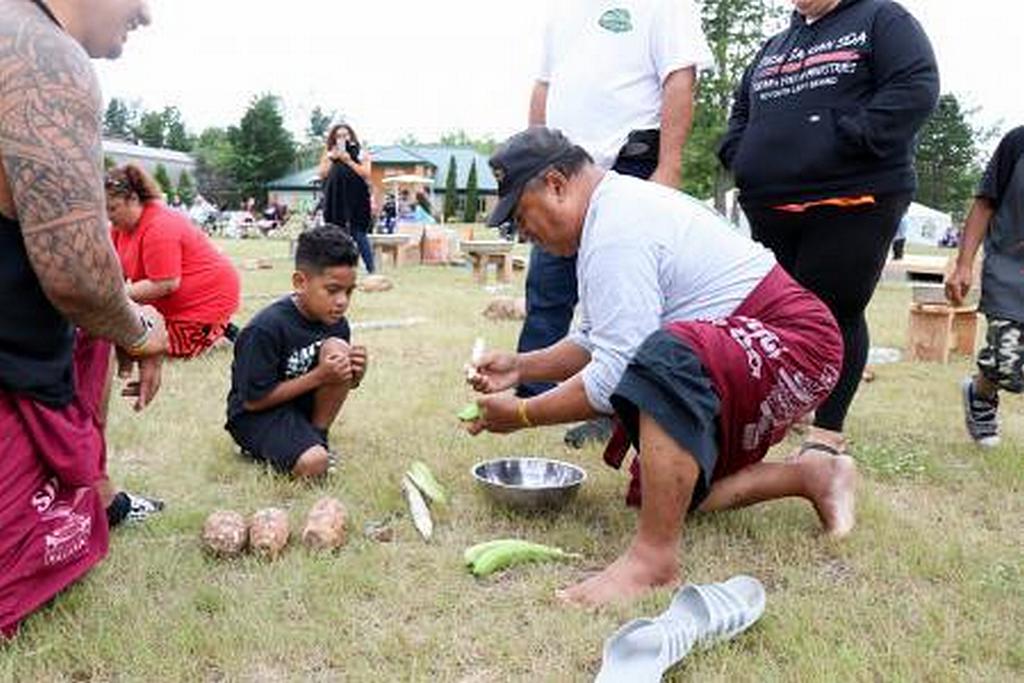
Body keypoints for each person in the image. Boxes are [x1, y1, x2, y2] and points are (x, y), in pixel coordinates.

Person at [467, 128, 853, 607]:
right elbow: (596, 339)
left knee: (663, 356)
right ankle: (813, 476)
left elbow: (619, 368)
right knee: (662, 489)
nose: (523, 233)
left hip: (796, 342)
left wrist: (523, 414)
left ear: (556, 185)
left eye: (521, 216)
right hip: (755, 342)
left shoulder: (616, 229)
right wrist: (521, 368)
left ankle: (653, 561)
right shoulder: (608, 216)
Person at [0, 0, 167, 636]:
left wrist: (115, 314)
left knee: (97, 330)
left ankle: (95, 491)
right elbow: (77, 277)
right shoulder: (43, 53)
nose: (146, 15)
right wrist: (141, 331)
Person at [718, 0, 939, 458]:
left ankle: (827, 432)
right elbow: (742, 109)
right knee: (779, 314)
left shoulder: (882, 19)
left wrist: (850, 137)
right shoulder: (775, 45)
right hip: (772, 201)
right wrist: (740, 153)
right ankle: (788, 404)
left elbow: (915, 87)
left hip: (852, 194)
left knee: (836, 307)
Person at [518, 0, 712, 449]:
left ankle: (619, 407)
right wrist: (530, 162)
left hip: (629, 164)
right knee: (547, 289)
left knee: (624, 299)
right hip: (558, 172)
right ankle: (534, 392)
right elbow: (543, 85)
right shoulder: (562, 11)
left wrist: (669, 166)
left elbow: (679, 78)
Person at [225, 226, 368, 479]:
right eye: (332, 290)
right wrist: (320, 376)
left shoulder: (337, 324)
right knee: (313, 464)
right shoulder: (265, 329)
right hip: (257, 415)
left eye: (349, 291)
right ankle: (261, 448)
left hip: (299, 406)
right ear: (300, 282)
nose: (342, 301)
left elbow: (336, 381)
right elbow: (253, 401)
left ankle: (318, 437)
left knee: (338, 349)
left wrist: (355, 373)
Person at [107, 164, 241, 358]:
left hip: (205, 299)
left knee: (149, 348)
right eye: (105, 209)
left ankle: (216, 335)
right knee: (124, 339)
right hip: (169, 305)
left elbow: (165, 283)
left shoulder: (159, 225)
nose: (108, 216)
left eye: (113, 208)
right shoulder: (119, 228)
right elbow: (114, 273)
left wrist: (113, 297)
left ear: (134, 199)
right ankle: (218, 331)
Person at [946, 126, 1024, 448]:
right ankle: (980, 393)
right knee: (1009, 365)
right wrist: (964, 264)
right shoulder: (1017, 142)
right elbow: (984, 204)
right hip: (1010, 272)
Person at [318, 124, 375, 272]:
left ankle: (371, 270)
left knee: (359, 233)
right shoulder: (329, 153)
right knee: (335, 235)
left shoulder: (361, 152)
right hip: (335, 198)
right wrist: (332, 158)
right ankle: (336, 270)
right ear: (333, 138)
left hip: (357, 198)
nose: (342, 138)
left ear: (351, 136)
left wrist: (348, 160)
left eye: (345, 135)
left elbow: (366, 173)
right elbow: (322, 174)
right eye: (339, 136)